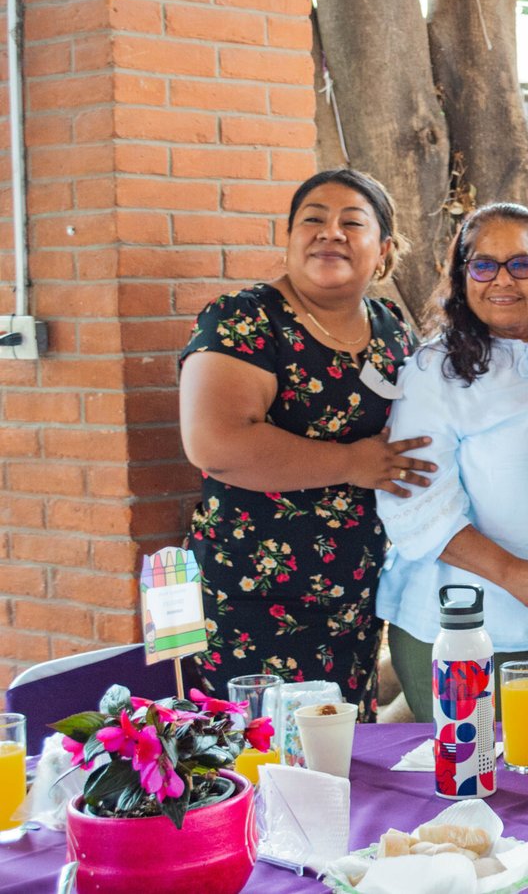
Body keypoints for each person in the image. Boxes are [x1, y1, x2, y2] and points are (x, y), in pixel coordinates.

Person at [178, 168, 434, 715]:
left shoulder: (390, 328)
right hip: (253, 593)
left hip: (353, 596)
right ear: (289, 240)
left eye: (352, 223)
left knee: (342, 756)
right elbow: (215, 443)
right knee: (259, 756)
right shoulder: (244, 320)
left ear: (383, 251)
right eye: (312, 220)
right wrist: (351, 463)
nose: (330, 232)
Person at [375, 203, 528, 726]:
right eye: (483, 265)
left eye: (522, 264)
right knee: (471, 779)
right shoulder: (432, 371)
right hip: (462, 626)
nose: (503, 279)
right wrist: (511, 573)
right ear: (462, 280)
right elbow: (413, 503)